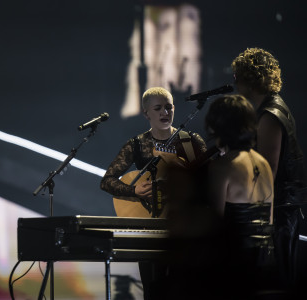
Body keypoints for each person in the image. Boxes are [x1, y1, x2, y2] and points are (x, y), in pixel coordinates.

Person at [100, 87, 206, 300]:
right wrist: (134, 190)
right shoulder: (137, 145)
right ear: (146, 113)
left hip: (184, 231)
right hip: (150, 229)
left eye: (169, 107)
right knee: (153, 291)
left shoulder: (191, 141)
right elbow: (107, 181)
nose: (164, 113)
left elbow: (210, 182)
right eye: (158, 108)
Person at [232, 48, 306, 289]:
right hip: (279, 212)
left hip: (279, 216)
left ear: (249, 79)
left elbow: (266, 173)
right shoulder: (270, 110)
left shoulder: (270, 115)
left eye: (237, 76)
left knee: (275, 286)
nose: (234, 83)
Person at [205, 95, 275, 297]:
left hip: (234, 261)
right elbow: (269, 219)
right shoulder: (263, 162)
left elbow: (213, 225)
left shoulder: (223, 165)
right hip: (265, 259)